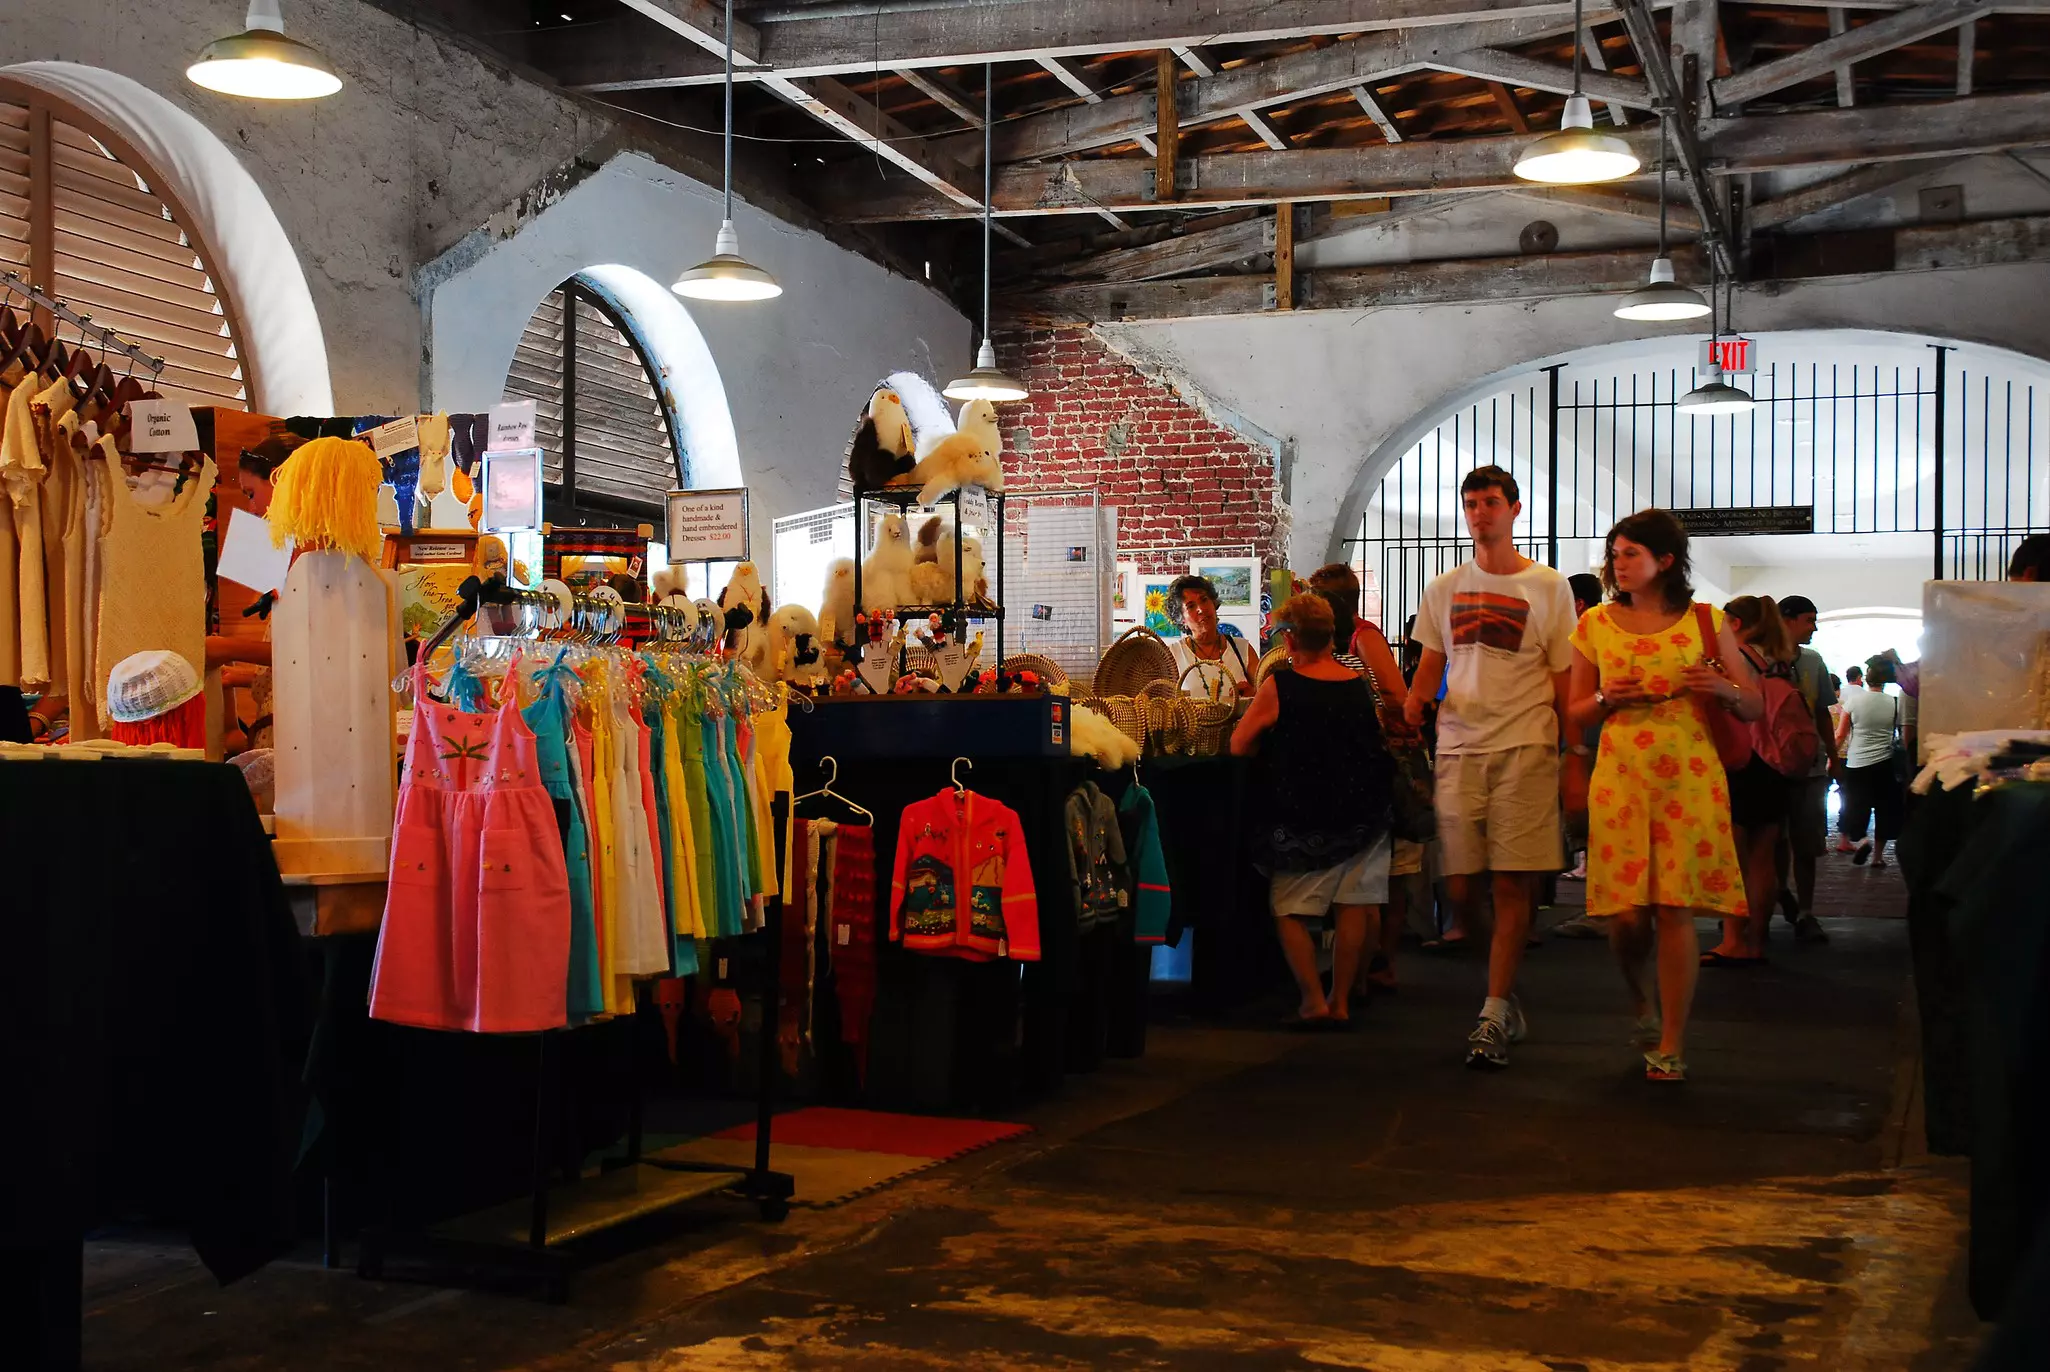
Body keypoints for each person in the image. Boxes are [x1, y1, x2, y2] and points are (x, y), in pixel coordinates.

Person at [1566, 509, 1762, 1081]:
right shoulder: (1594, 625)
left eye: (1631, 554)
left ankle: (1672, 1040)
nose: (1619, 565)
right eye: (1615, 554)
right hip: (1622, 777)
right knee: (1627, 918)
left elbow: (1751, 704)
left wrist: (1721, 687)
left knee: (1674, 909)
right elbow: (1573, 714)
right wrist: (1605, 699)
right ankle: (1639, 999)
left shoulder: (1707, 621)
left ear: (1666, 561)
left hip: (1689, 775)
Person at [1403, 465, 1577, 1070]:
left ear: (1515, 510)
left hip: (1525, 743)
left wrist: (1573, 753)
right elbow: (1431, 660)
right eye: (1472, 503)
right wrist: (1414, 699)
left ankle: (1495, 1005)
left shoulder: (1548, 587)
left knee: (1510, 880)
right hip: (1458, 745)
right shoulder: (1445, 586)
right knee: (1459, 885)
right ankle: (1500, 988)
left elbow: (1562, 675)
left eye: (1492, 502)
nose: (1481, 513)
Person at [1232, 593, 1394, 1028]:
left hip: (1302, 815)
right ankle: (1341, 1000)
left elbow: (1238, 743)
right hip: (1364, 810)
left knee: (1287, 909)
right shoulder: (1355, 685)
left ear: (1290, 639)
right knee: (1353, 907)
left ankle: (1311, 1000)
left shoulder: (1281, 686)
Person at [1308, 563, 1421, 993]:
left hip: (1386, 761)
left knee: (1390, 874)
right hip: (1353, 762)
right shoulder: (1333, 640)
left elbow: (1396, 695)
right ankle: (1357, 966)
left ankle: (1381, 963)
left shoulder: (1364, 637)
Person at [1702, 596, 1797, 966]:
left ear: (1736, 624)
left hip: (1743, 758)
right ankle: (1756, 939)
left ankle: (1732, 939)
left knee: (1735, 857)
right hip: (1775, 762)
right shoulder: (1781, 660)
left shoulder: (1736, 658)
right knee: (1763, 858)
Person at [1772, 595, 1836, 945]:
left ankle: (1807, 910)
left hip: (1810, 765)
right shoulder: (1760, 659)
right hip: (1772, 764)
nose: (1813, 627)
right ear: (1786, 620)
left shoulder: (1813, 661)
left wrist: (1834, 757)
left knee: (1807, 842)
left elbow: (1824, 712)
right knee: (1773, 839)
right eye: (1808, 619)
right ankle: (1779, 892)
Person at [1552, 572, 1608, 933]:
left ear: (1578, 604)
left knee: (1593, 825)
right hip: (1592, 741)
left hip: (1590, 742)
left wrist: (1575, 748)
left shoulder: (1591, 636)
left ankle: (1601, 909)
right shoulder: (1604, 633)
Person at [1837, 654, 1906, 870]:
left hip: (1857, 763)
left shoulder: (1853, 702)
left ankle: (1862, 841)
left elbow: (1841, 734)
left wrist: (1832, 757)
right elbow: (1901, 733)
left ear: (1865, 680)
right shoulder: (1893, 703)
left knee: (1856, 807)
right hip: (1885, 763)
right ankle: (1877, 857)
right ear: (1885, 681)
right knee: (1884, 810)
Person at [1168, 574, 1256, 700]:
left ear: (1214, 604)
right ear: (1181, 619)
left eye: (1204, 600)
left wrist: (1253, 693)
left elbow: (1268, 697)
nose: (1201, 609)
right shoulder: (1172, 655)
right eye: (1191, 606)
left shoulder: (1243, 649)